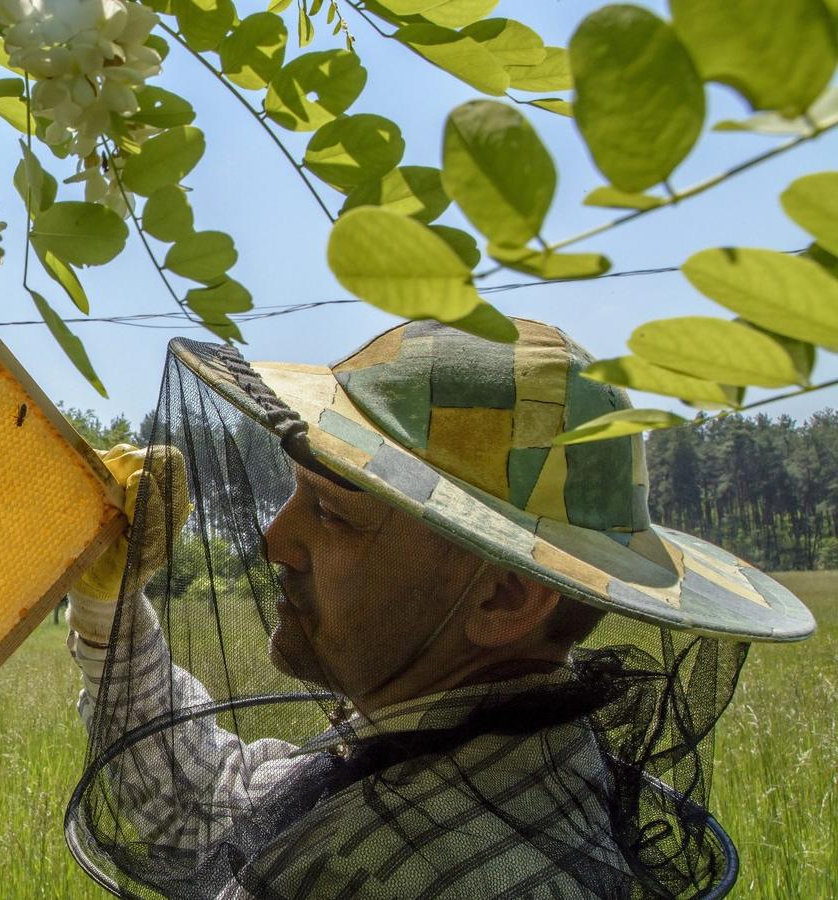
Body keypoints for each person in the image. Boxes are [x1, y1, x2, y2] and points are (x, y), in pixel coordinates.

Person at [63, 319, 816, 899]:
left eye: (331, 514)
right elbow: (206, 804)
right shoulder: (455, 747)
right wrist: (110, 606)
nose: (275, 540)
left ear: (505, 596)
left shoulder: (430, 870)